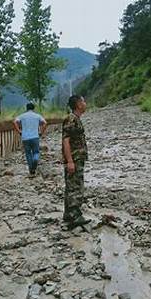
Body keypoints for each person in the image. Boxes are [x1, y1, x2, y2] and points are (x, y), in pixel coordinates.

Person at [62, 95, 91, 229]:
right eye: (83, 101)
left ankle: (68, 217)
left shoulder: (76, 119)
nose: (85, 103)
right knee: (75, 186)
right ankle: (75, 214)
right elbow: (66, 141)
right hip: (74, 158)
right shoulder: (71, 119)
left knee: (72, 185)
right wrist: (70, 161)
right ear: (78, 104)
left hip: (77, 158)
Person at [13, 103, 47, 176]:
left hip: (25, 137)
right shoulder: (37, 116)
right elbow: (45, 123)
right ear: (33, 108)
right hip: (35, 136)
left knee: (28, 153)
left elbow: (15, 121)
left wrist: (19, 131)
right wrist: (41, 132)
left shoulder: (22, 116)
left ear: (26, 108)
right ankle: (35, 159)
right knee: (36, 152)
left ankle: (31, 170)